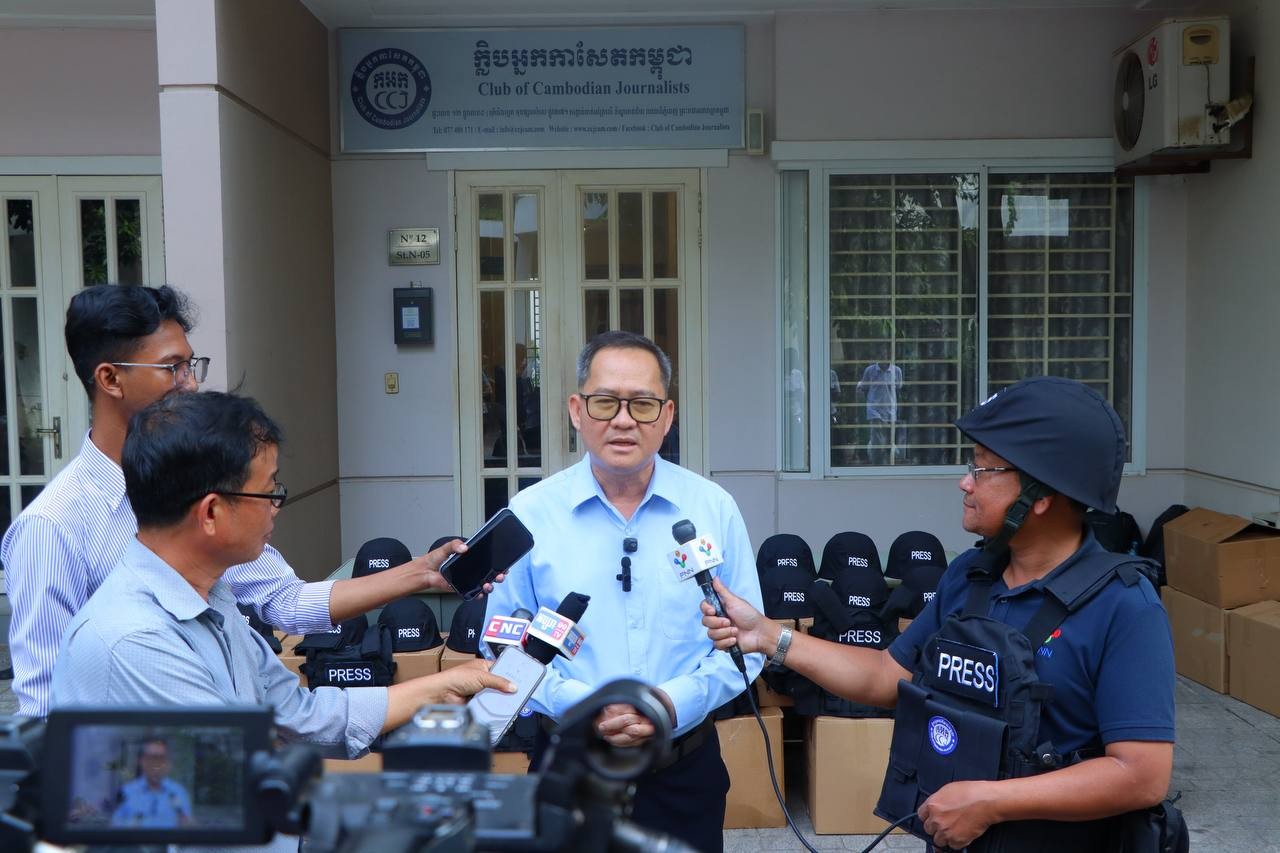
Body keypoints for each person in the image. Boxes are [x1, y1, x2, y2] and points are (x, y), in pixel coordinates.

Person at [703, 376, 1176, 852]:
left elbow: (1141, 774)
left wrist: (992, 803)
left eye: (983, 469)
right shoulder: (971, 575)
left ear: (1041, 496)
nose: (965, 482)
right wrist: (768, 636)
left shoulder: (1123, 605)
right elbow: (885, 675)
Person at [2, 284, 494, 718]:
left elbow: (287, 608)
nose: (191, 383)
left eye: (191, 364)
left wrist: (421, 573)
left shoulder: (214, 589)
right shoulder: (53, 528)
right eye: (172, 368)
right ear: (110, 379)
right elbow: (46, 711)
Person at [49, 391, 513, 751]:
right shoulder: (136, 643)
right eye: (269, 491)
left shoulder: (213, 598)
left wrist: (442, 685)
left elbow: (301, 718)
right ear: (211, 512)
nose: (277, 506)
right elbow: (233, 784)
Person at [483, 331, 764, 853]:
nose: (623, 420)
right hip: (569, 770)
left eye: (643, 403)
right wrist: (584, 706)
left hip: (683, 773)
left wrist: (669, 705)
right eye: (605, 401)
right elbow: (501, 648)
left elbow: (748, 646)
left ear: (667, 415)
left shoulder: (712, 509)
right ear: (576, 410)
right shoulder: (530, 514)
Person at [110, 738, 193, 829]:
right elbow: (115, 826)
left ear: (167, 762)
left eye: (161, 758)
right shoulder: (126, 791)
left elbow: (186, 826)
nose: (156, 763)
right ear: (141, 761)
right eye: (151, 758)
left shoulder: (179, 792)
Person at [856, 347, 903, 464]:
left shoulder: (896, 371)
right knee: (877, 440)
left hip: (890, 410)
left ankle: (886, 463)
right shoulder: (870, 371)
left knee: (888, 440)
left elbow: (898, 389)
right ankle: (876, 463)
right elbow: (865, 388)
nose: (884, 358)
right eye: (881, 355)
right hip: (875, 411)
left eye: (886, 355)